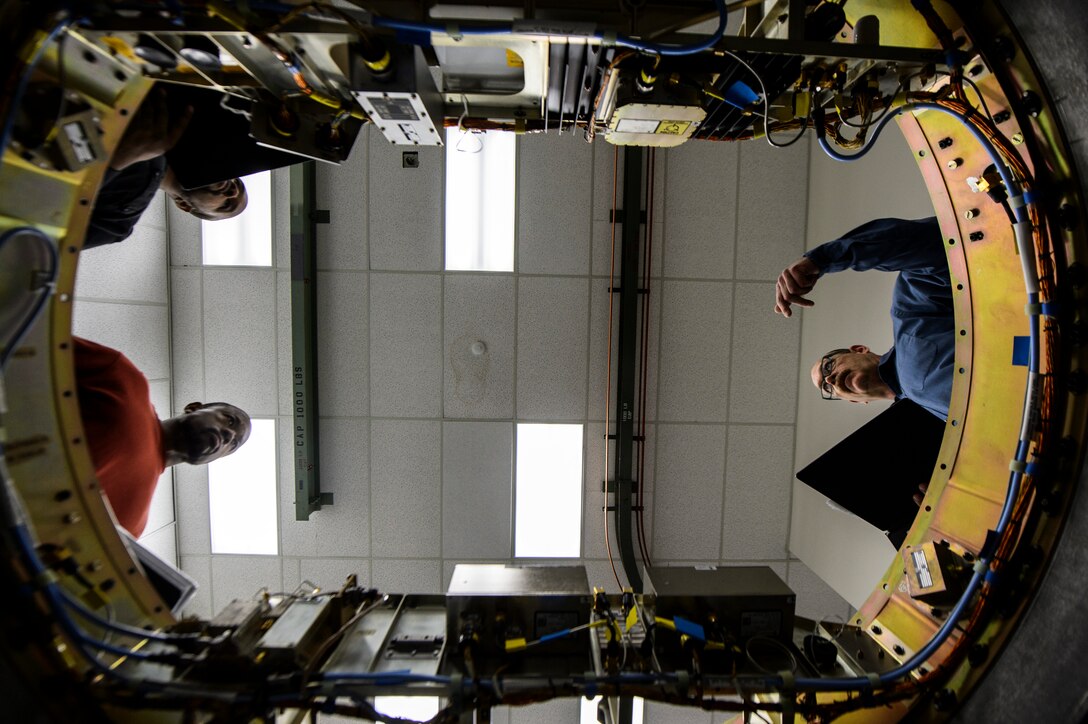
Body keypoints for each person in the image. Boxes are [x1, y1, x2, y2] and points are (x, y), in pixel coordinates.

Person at [775, 217, 954, 421]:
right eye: (826, 387)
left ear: (859, 350)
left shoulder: (911, 321)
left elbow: (935, 245)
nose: (831, 380)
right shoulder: (928, 428)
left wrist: (823, 259)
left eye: (828, 366)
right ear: (856, 402)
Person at [74, 336, 251, 536]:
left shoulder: (131, 524)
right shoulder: (123, 380)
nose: (228, 435)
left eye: (233, 444)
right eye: (229, 420)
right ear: (193, 408)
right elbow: (38, 343)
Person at [84, 88, 248, 250]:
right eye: (237, 182)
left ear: (184, 205)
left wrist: (117, 161)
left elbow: (60, 243)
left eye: (226, 204)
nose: (233, 191)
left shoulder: (117, 225)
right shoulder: (181, 123)